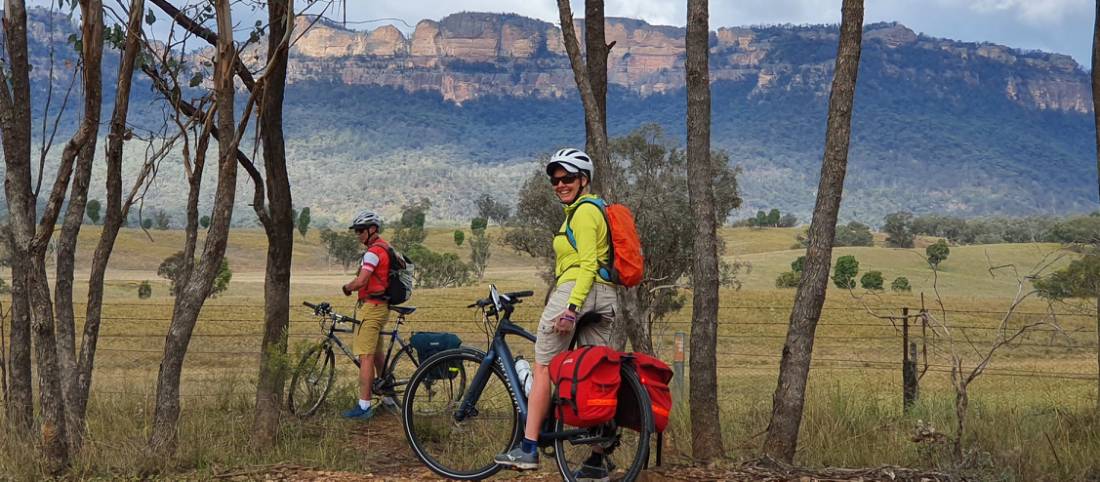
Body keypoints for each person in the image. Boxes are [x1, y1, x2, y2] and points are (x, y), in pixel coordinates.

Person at [494, 148, 617, 481]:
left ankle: (528, 448)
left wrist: (572, 308)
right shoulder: (591, 210)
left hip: (579, 290)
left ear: (584, 180)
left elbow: (588, 264)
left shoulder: (585, 213)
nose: (559, 184)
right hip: (606, 297)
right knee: (594, 374)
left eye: (567, 178)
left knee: (544, 366)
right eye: (555, 179)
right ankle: (596, 461)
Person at [340, 210, 397, 419]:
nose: (358, 234)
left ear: (372, 230)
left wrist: (347, 287)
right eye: (356, 231)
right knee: (378, 354)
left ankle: (363, 407)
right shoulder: (385, 246)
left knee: (366, 356)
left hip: (372, 307)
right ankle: (389, 399)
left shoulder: (373, 252)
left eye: (360, 230)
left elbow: (362, 281)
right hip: (381, 307)